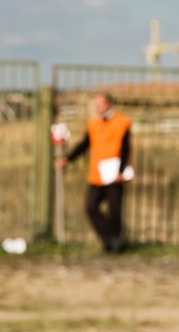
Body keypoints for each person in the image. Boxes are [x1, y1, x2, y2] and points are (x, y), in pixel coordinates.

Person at [57, 92, 131, 253]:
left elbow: (126, 149)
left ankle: (116, 244)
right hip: (97, 174)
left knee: (115, 211)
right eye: (96, 104)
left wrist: (121, 170)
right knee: (91, 207)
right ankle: (109, 239)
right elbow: (84, 144)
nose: (99, 107)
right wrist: (67, 159)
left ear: (110, 103)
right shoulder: (93, 124)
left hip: (114, 174)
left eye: (101, 103)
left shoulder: (122, 122)